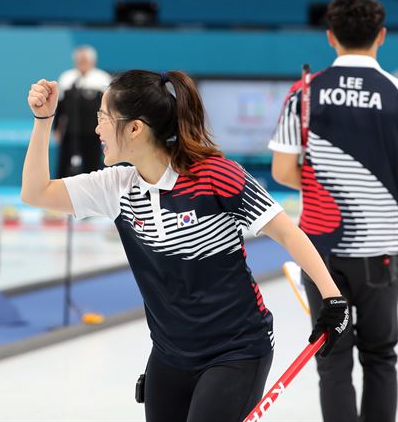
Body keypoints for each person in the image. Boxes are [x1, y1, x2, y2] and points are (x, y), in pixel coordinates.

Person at [22, 70, 349, 422]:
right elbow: (36, 192)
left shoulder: (216, 176)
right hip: (170, 354)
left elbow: (287, 232)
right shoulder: (116, 187)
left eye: (103, 118)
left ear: (135, 128)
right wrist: (43, 121)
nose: (97, 129)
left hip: (236, 350)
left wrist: (332, 299)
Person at [269, 0, 398, 422]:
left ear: (330, 37)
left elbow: (284, 172)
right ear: (381, 36)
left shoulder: (305, 92)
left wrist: (325, 184)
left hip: (321, 250)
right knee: (381, 356)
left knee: (332, 359)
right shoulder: (396, 91)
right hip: (383, 251)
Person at [54, 45, 111, 177]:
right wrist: (57, 128)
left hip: (93, 131)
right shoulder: (66, 78)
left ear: (92, 61)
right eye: (79, 61)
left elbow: (108, 109)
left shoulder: (102, 79)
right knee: (64, 164)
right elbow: (60, 106)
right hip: (70, 131)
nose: (82, 64)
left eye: (85, 61)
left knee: (92, 165)